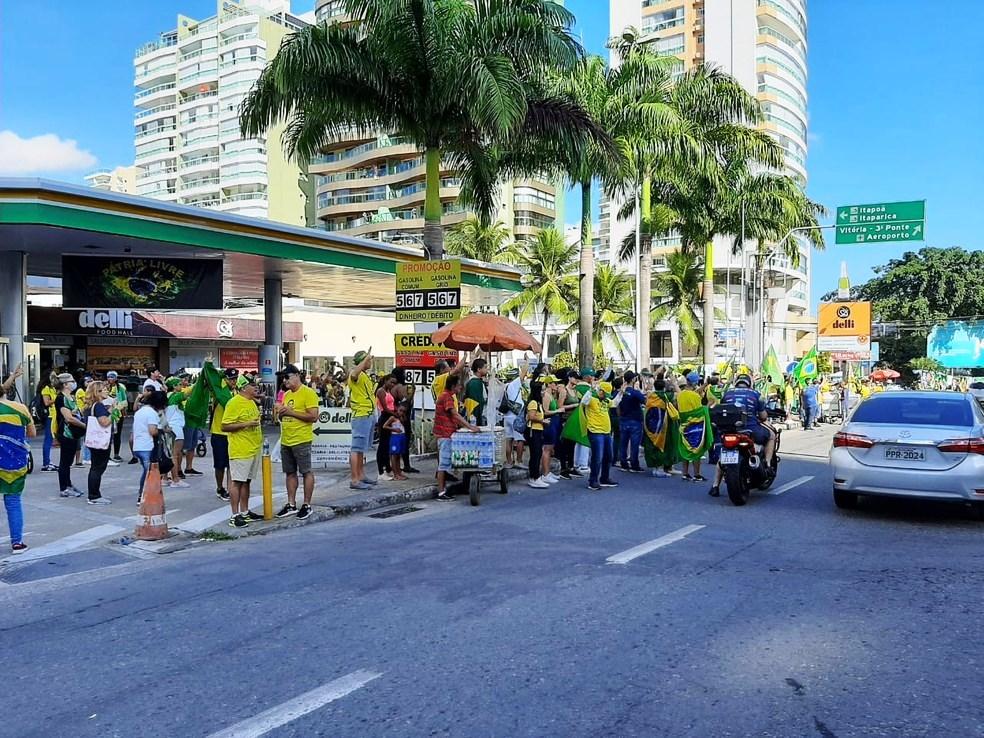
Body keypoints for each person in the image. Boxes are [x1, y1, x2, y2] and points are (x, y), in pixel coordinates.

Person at [709, 373, 774, 497]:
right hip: (750, 429)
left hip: (729, 430)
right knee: (771, 435)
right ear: (749, 383)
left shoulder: (726, 394)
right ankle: (768, 464)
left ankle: (715, 485)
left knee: (724, 456)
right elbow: (763, 416)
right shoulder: (756, 395)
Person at [274, 365, 320, 520]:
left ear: (296, 376)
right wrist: (280, 415)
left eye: (287, 377)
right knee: (289, 472)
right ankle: (291, 503)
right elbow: (285, 415)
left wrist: (290, 412)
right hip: (287, 439)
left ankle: (306, 504)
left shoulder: (308, 393)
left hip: (301, 439)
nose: (284, 381)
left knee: (306, 471)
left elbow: (313, 416)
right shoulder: (286, 395)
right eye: (283, 378)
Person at [222, 375, 265, 528]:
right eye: (253, 385)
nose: (256, 387)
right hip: (240, 449)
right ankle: (235, 515)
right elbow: (225, 426)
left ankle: (245, 512)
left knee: (247, 481)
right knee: (237, 482)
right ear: (244, 387)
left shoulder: (251, 402)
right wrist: (246, 424)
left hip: (253, 448)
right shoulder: (233, 403)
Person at [0, 376, 36, 553]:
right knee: (13, 501)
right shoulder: (20, 408)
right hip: (14, 462)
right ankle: (17, 542)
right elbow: (32, 433)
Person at [434, 373, 478, 501]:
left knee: (445, 463)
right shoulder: (447, 397)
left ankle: (444, 490)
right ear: (453, 386)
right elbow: (455, 415)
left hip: (447, 433)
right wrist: (470, 427)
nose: (460, 388)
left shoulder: (447, 396)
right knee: (443, 464)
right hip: (445, 434)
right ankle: (441, 492)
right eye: (459, 386)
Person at [347, 350, 378, 490]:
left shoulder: (364, 376)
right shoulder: (356, 374)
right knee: (356, 448)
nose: (370, 362)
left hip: (368, 414)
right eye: (368, 360)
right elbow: (353, 374)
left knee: (361, 449)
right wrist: (365, 360)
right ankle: (354, 479)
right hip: (361, 415)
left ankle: (361, 475)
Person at [54, 372, 86, 498]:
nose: (74, 383)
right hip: (66, 433)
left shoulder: (71, 397)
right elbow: (68, 418)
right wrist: (85, 426)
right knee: (65, 462)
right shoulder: (61, 398)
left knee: (69, 461)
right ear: (66, 384)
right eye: (72, 381)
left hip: (74, 433)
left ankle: (68, 484)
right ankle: (64, 488)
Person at [132, 390, 167, 504]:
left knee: (147, 472)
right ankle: (143, 496)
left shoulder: (140, 412)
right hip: (147, 446)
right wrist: (161, 430)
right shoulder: (152, 413)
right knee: (149, 473)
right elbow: (152, 431)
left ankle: (145, 495)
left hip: (138, 446)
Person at [210, 367, 238, 501]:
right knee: (220, 464)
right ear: (225, 379)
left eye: (235, 379)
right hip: (219, 432)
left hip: (233, 433)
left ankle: (230, 488)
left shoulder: (236, 392)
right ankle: (220, 487)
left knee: (231, 464)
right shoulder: (220, 392)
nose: (233, 381)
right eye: (230, 379)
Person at [582, 381, 616, 491]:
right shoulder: (592, 399)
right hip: (595, 432)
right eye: (605, 393)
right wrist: (591, 390)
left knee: (609, 456)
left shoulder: (606, 400)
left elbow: (614, 403)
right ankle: (593, 481)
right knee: (597, 457)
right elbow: (584, 401)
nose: (606, 396)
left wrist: (620, 393)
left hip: (606, 432)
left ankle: (604, 478)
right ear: (600, 391)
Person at [83, 381, 113, 505]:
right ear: (98, 392)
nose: (107, 391)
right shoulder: (99, 406)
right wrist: (114, 412)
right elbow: (104, 422)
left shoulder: (89, 406)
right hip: (100, 440)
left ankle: (93, 494)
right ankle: (94, 495)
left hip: (93, 440)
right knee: (98, 467)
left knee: (95, 466)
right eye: (104, 389)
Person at [676, 372, 709, 483]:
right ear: (695, 383)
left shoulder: (680, 395)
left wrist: (704, 385)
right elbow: (699, 410)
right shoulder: (695, 396)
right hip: (696, 426)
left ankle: (685, 473)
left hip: (684, 425)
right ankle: (697, 474)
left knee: (686, 448)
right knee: (697, 449)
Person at [616, 371, 645, 473]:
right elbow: (644, 401)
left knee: (623, 443)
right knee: (634, 444)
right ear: (633, 379)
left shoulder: (620, 392)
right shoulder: (635, 392)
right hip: (635, 420)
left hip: (623, 419)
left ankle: (623, 463)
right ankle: (634, 464)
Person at [164, 376, 190, 488]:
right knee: (174, 455)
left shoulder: (166, 396)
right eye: (179, 384)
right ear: (174, 386)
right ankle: (175, 479)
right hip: (176, 428)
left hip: (167, 427)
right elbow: (189, 391)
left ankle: (164, 478)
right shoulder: (175, 396)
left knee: (168, 454)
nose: (182, 386)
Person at [525, 379, 549, 488]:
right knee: (535, 454)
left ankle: (536, 476)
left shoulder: (538, 403)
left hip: (538, 430)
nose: (544, 392)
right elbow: (531, 416)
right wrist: (542, 421)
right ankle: (534, 477)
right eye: (542, 390)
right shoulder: (533, 403)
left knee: (537, 453)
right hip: (533, 431)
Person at [502, 366, 527, 468]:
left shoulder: (506, 386)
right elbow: (524, 372)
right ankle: (519, 461)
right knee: (520, 439)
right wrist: (527, 361)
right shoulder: (515, 384)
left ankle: (509, 462)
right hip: (516, 416)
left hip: (507, 416)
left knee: (509, 439)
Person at [374, 374, 397, 481]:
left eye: (394, 383)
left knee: (387, 446)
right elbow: (385, 408)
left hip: (390, 418)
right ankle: (380, 471)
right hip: (385, 417)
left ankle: (387, 469)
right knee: (382, 446)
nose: (393, 385)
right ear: (386, 380)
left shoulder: (388, 391)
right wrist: (396, 414)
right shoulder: (381, 391)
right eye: (391, 382)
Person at [35, 375, 58, 472]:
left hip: (53, 416)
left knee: (50, 439)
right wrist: (57, 399)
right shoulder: (46, 389)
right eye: (53, 375)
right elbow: (46, 402)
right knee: (48, 439)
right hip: (49, 416)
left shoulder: (52, 388)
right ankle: (46, 464)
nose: (55, 377)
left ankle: (48, 461)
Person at [105, 371, 129, 463]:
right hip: (107, 413)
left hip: (117, 413)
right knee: (108, 434)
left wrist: (123, 412)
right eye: (109, 377)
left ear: (116, 378)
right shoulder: (105, 387)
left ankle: (116, 454)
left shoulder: (120, 388)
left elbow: (124, 401)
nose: (110, 379)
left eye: (112, 377)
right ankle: (107, 454)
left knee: (117, 434)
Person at [382, 403, 408, 481]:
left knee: (398, 456)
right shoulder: (392, 418)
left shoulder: (402, 418)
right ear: (397, 409)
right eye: (400, 410)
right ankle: (395, 474)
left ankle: (399, 472)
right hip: (395, 437)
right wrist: (394, 429)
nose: (402, 413)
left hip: (401, 437)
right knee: (394, 456)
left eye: (403, 411)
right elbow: (385, 426)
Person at [464, 358, 489, 426]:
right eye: (485, 367)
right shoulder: (475, 383)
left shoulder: (477, 382)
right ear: (479, 369)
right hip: (476, 416)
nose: (487, 370)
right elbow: (476, 402)